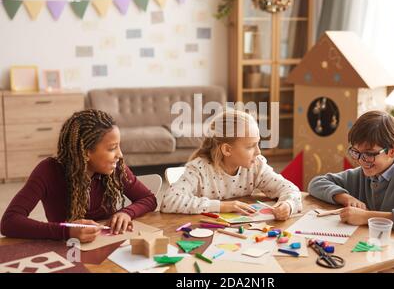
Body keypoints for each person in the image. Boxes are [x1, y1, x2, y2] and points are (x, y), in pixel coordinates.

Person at [308, 110, 394, 272]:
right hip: (374, 258)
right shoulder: (365, 173)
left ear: (393, 150)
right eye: (356, 152)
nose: (361, 161)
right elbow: (316, 183)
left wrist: (366, 217)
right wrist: (344, 197)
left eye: (369, 154)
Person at [1, 109, 157, 243]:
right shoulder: (48, 171)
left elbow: (149, 199)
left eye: (119, 146)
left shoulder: (116, 168)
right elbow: (9, 222)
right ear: (86, 152)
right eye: (112, 148)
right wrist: (67, 232)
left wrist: (126, 212)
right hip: (65, 249)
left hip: (108, 244)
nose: (120, 155)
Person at [160, 109, 302, 220]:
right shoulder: (199, 169)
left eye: (257, 143)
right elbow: (169, 201)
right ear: (227, 149)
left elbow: (290, 189)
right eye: (250, 146)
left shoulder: (256, 166)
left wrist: (288, 205)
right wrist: (222, 206)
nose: (258, 151)